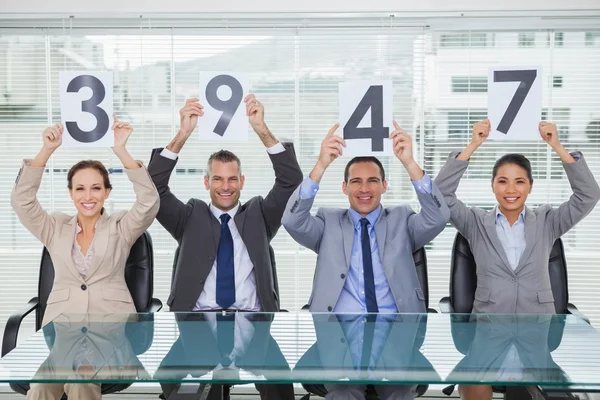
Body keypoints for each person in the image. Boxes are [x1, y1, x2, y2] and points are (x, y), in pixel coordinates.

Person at [147, 95, 302, 400]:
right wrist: (183, 134)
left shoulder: (260, 215)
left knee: (282, 391)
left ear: (242, 181)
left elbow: (290, 182)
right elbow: (152, 187)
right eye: (217, 178)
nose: (226, 185)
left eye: (232, 179)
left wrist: (261, 130)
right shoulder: (189, 217)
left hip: (253, 322)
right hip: (197, 323)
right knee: (174, 387)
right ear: (206, 182)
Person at [282, 122, 450, 400]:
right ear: (344, 187)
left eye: (372, 180)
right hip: (339, 332)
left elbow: (439, 217)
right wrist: (320, 166)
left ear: (384, 185)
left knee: (400, 393)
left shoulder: (402, 220)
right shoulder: (328, 222)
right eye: (356, 181)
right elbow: (292, 220)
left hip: (395, 329)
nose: (364, 188)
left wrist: (409, 162)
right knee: (343, 395)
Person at [434, 120, 600, 400]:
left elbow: (588, 195)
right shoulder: (475, 223)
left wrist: (557, 146)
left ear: (530, 186)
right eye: (503, 181)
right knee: (473, 385)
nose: (511, 189)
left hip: (536, 330)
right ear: (492, 185)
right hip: (488, 329)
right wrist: (473, 144)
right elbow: (440, 196)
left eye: (519, 181)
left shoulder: (548, 221)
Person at [11, 118, 160, 400]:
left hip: (110, 332)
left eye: (95, 188)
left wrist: (121, 150)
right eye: (80, 188)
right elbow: (22, 201)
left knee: (81, 380)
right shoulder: (54, 227)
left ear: (106, 192)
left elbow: (149, 203)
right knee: (40, 387)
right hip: (62, 334)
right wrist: (46, 150)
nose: (88, 196)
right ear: (71, 193)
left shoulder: (121, 227)